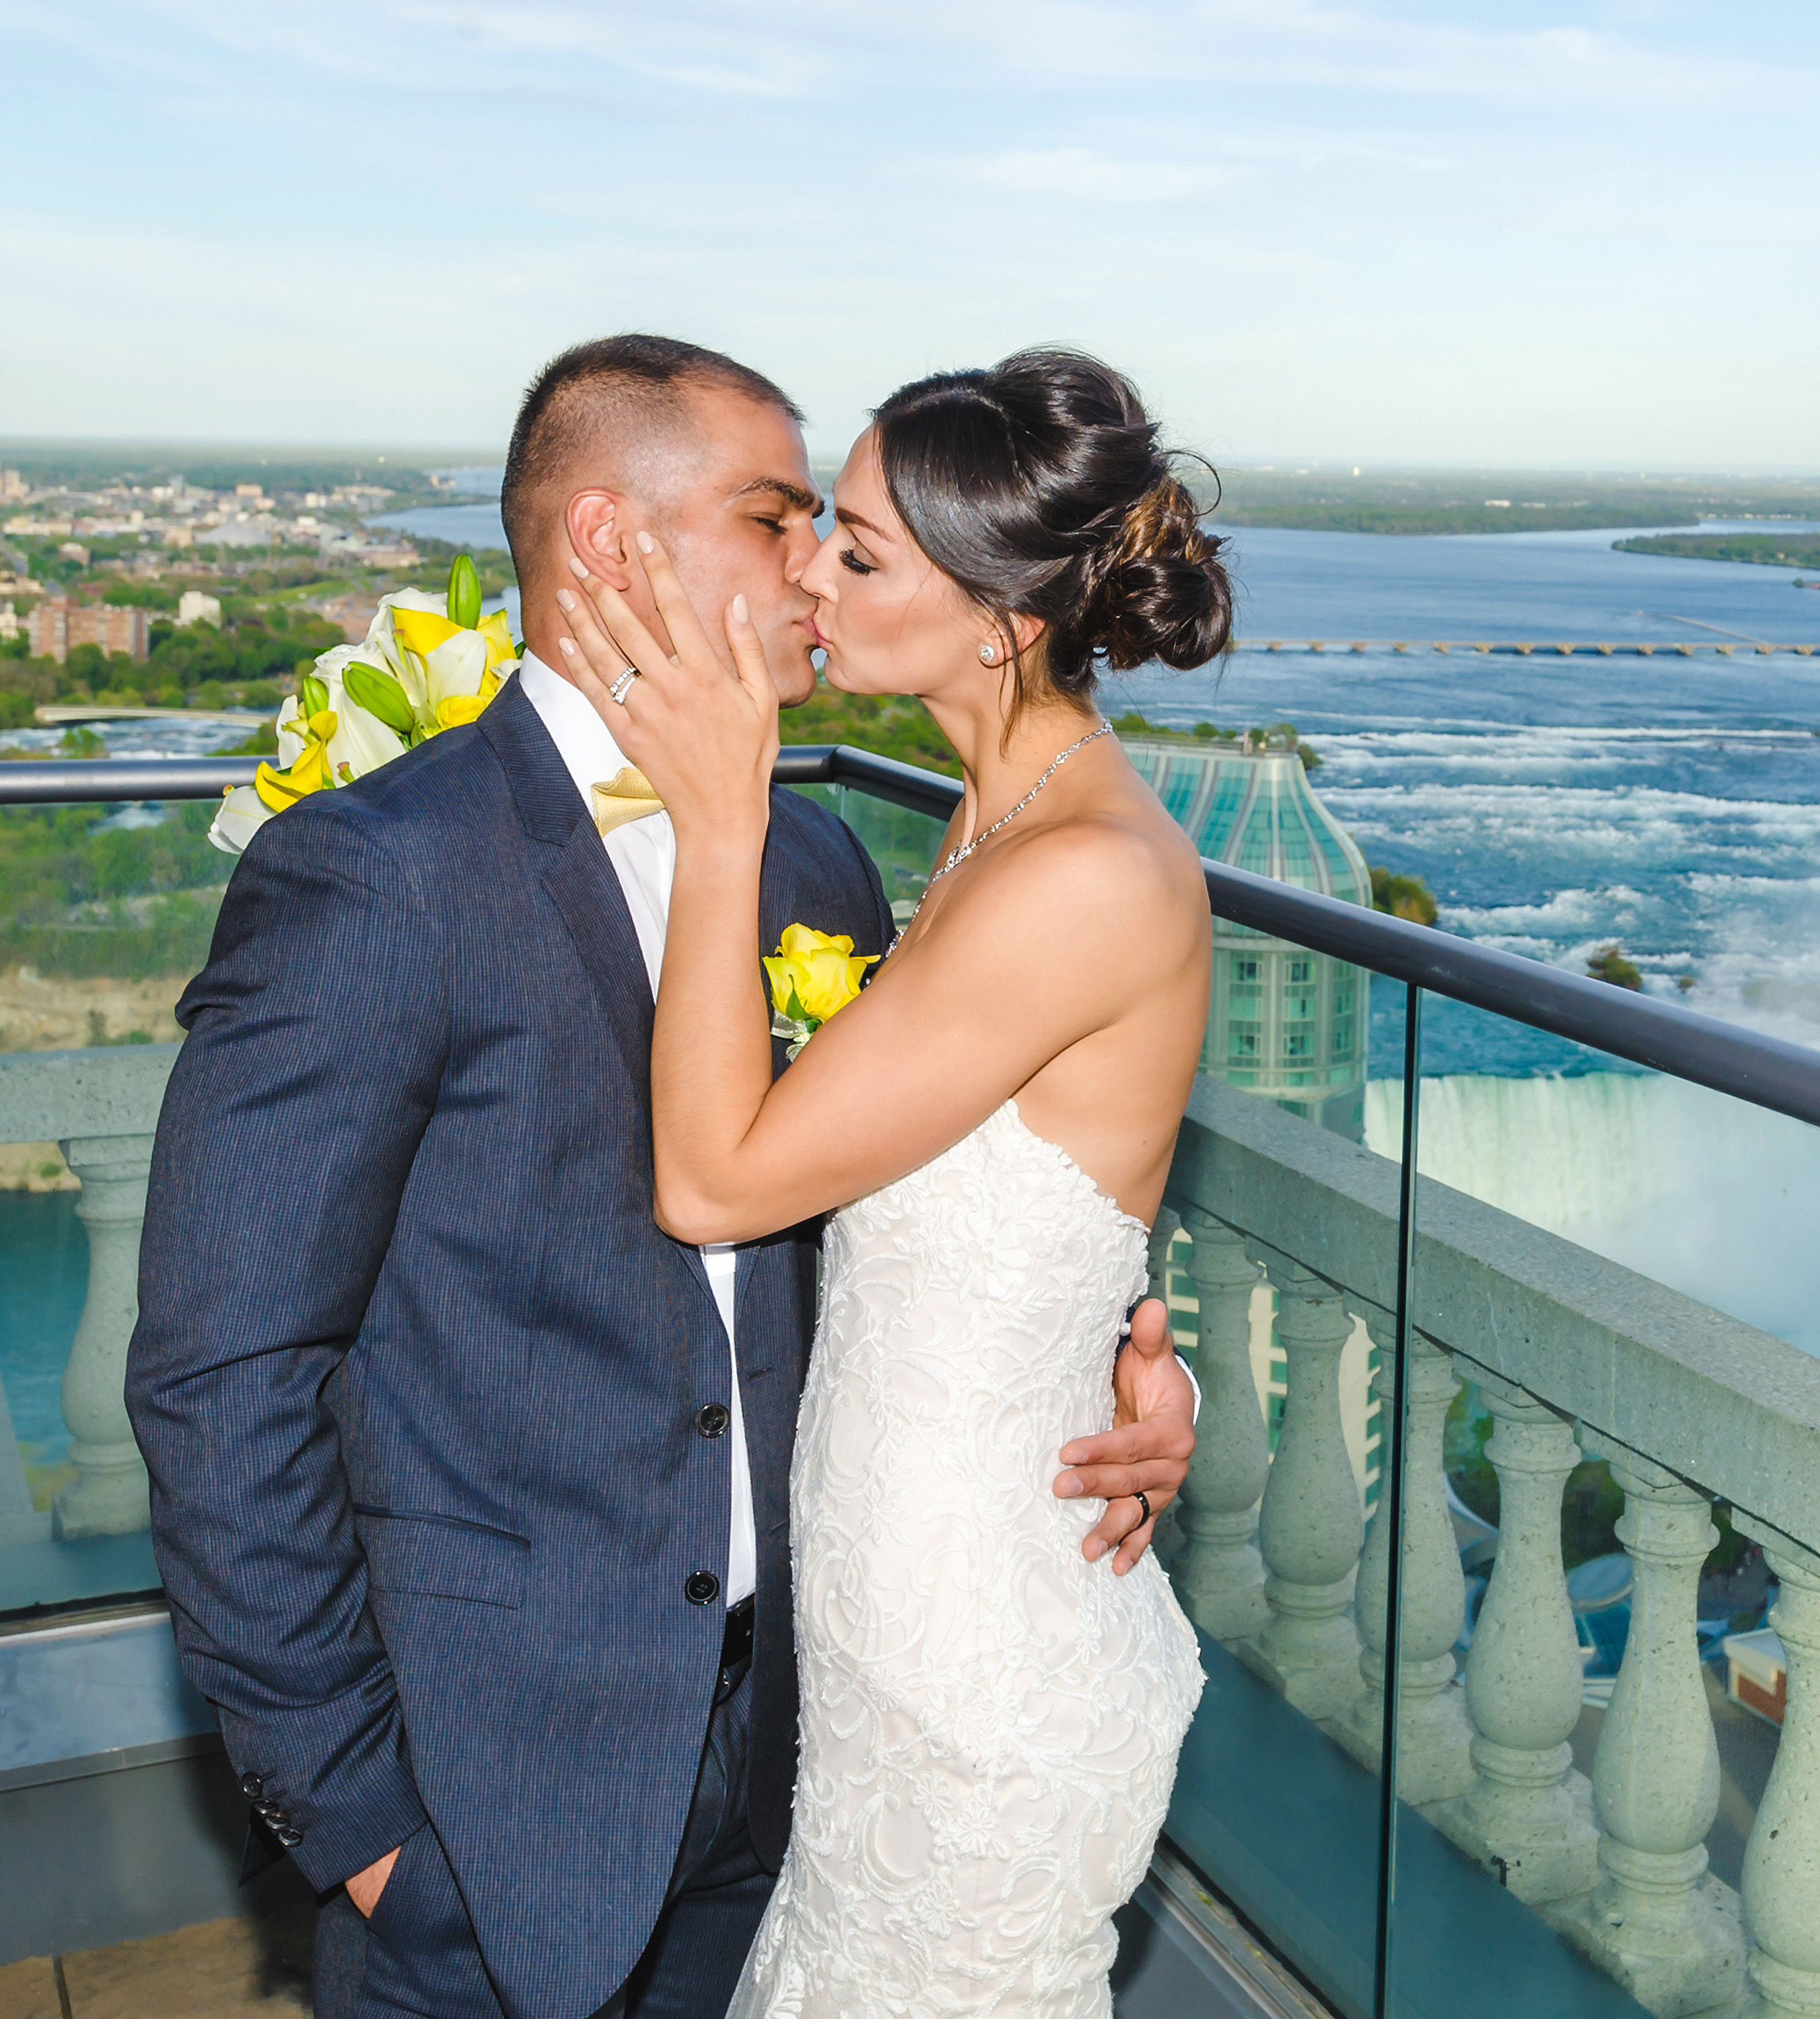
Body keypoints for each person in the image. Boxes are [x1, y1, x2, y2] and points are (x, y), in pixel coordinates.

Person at [124, 334, 1199, 2019]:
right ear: (614, 547)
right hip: (493, 1796)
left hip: (815, 1747)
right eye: (780, 520)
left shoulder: (823, 857)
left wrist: (1117, 1373)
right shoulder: (374, 875)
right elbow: (220, 1370)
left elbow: (926, 1210)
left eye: (835, 537)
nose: (809, 574)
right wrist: (358, 1816)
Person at [547, 347, 1226, 2019]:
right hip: (893, 1629)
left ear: (997, 615)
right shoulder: (987, 827)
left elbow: (714, 1182)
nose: (802, 574)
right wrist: (1131, 1359)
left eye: (853, 550)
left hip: (975, 1671)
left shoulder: (1075, 877)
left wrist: (721, 819)